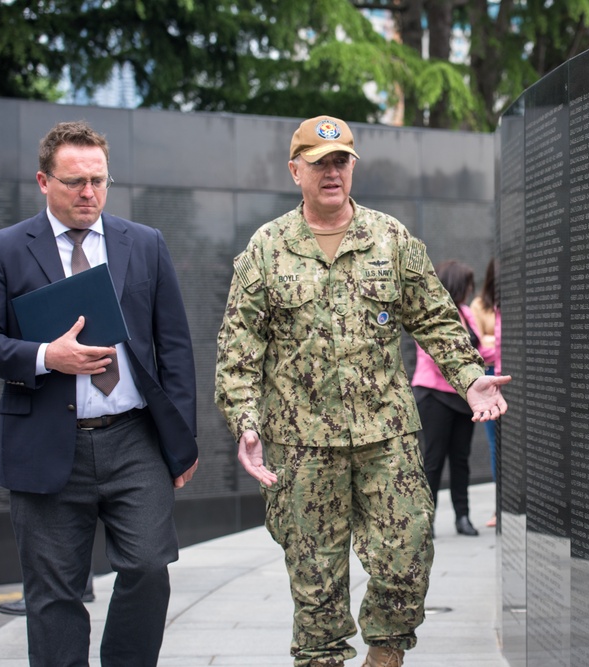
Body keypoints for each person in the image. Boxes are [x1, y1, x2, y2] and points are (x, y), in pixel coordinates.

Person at [213, 115, 510, 667]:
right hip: (301, 444)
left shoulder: (389, 238)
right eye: (320, 162)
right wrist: (246, 422)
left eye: (342, 161)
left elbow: (437, 320)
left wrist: (470, 379)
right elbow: (239, 349)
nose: (332, 172)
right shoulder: (267, 249)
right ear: (294, 170)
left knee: (408, 555)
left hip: (385, 434)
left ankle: (385, 655)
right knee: (317, 588)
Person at [0, 120, 199, 665]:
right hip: (45, 445)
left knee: (147, 567)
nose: (88, 192)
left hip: (134, 439)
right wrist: (48, 357)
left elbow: (175, 348)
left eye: (98, 179)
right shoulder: (4, 250)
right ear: (44, 181)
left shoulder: (144, 244)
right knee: (53, 597)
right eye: (74, 182)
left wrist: (181, 439)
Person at [412, 259, 497, 537]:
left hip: (464, 398)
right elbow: (439, 357)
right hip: (434, 396)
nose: (471, 290)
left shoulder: (465, 313)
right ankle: (428, 520)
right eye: (467, 285)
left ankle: (463, 517)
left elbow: (482, 354)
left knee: (461, 459)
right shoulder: (431, 316)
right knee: (434, 460)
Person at [469, 258, 500, 528]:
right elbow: (476, 344)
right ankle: (499, 506)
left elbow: (489, 340)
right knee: (495, 445)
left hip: (511, 372)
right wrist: (493, 341)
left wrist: (491, 340)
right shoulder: (480, 305)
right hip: (489, 376)